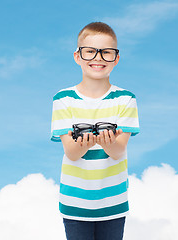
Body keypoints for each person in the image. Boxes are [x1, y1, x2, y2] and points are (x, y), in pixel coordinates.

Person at [51, 22, 140, 240]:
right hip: (75, 202)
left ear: (116, 58)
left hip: (113, 201)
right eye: (90, 51)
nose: (98, 58)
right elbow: (71, 153)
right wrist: (89, 143)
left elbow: (118, 151)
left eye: (106, 52)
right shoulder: (63, 99)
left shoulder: (126, 99)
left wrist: (108, 143)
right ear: (77, 56)